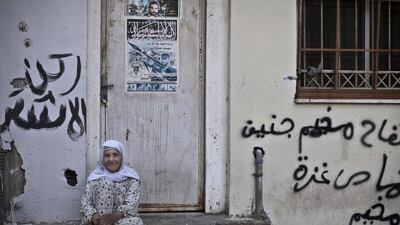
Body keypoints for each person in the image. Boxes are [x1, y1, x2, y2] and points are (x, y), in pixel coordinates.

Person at [81, 140, 143, 225]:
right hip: (98, 220)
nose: (111, 159)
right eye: (107, 155)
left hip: (121, 218)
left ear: (122, 157)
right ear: (102, 158)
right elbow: (85, 202)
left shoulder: (131, 177)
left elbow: (131, 205)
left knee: (136, 222)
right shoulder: (95, 177)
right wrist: (94, 216)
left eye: (115, 155)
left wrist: (113, 217)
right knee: (104, 182)